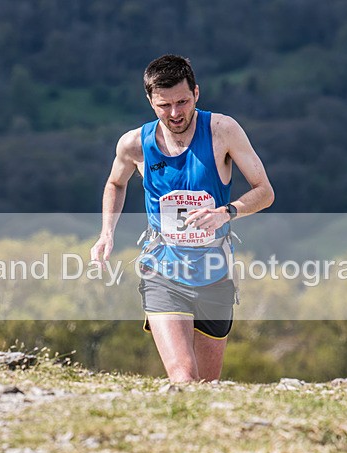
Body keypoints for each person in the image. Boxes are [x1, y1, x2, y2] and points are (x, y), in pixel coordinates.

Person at [90, 54, 274, 383]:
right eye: (164, 105)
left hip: (215, 276)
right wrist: (106, 233)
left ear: (197, 94)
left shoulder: (222, 131)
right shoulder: (134, 144)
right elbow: (115, 183)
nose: (175, 113)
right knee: (184, 377)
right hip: (163, 270)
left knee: (206, 385)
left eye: (182, 102)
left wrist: (227, 212)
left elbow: (264, 191)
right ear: (150, 101)